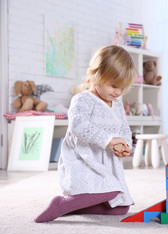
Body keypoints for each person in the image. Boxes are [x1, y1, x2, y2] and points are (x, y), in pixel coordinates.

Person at [35, 45, 137, 223]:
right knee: (111, 189)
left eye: (122, 89)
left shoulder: (118, 104)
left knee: (121, 207)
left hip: (105, 160)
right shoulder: (82, 100)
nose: (118, 92)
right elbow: (78, 125)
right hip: (84, 159)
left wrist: (125, 144)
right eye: (114, 86)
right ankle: (61, 204)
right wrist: (108, 140)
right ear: (96, 75)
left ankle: (72, 207)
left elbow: (124, 128)